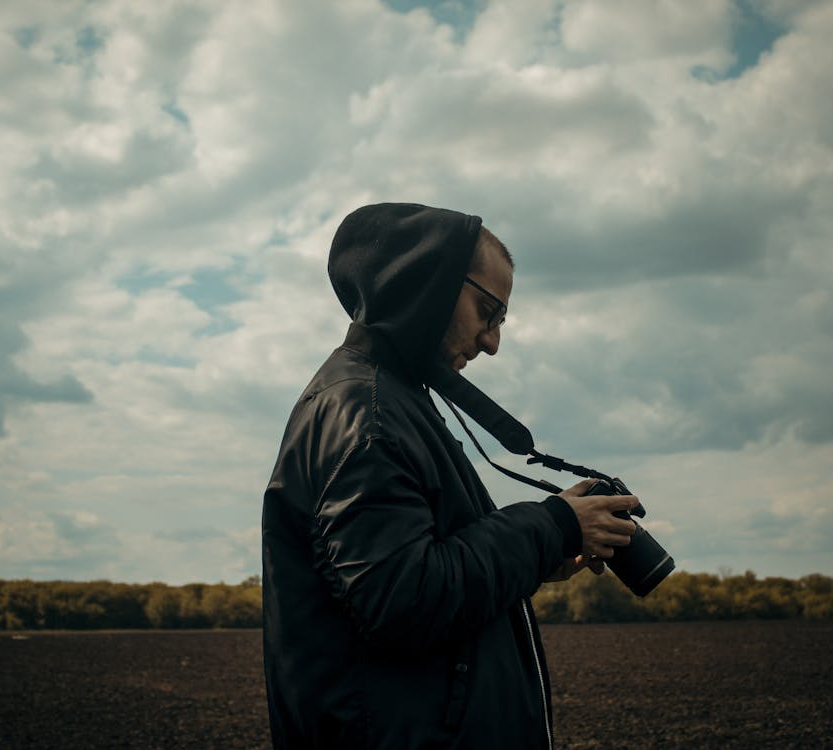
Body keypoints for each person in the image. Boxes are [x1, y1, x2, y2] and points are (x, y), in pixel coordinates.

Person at [261, 202, 640, 749]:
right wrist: (550, 525)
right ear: (426, 283)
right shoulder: (367, 415)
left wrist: (542, 559)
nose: (492, 341)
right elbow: (403, 597)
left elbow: (428, 571)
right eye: (488, 310)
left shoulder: (390, 402)